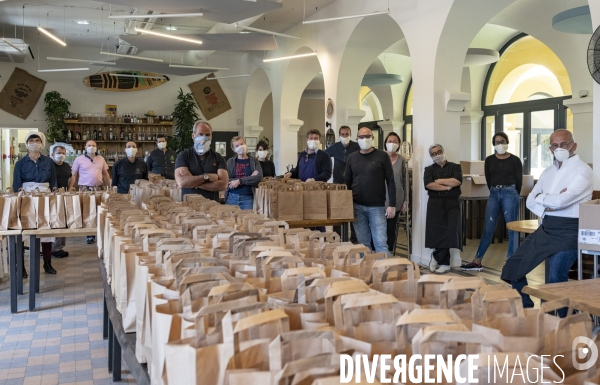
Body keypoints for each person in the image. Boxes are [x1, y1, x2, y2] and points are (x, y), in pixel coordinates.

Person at [501, 129, 592, 313]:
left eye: (564, 144)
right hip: (546, 228)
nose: (559, 148)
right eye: (555, 145)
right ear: (550, 148)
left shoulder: (583, 170)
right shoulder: (548, 172)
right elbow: (530, 200)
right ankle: (527, 309)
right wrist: (550, 202)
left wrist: (545, 198)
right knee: (512, 266)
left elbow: (561, 201)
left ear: (574, 145)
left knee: (555, 278)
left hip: (570, 232)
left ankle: (567, 321)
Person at [461, 132, 523, 271]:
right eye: (497, 142)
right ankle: (477, 261)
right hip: (494, 193)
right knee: (488, 229)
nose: (499, 144)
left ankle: (510, 261)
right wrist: (495, 191)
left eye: (502, 141)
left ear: (507, 142)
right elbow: (489, 179)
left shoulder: (515, 160)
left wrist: (513, 194)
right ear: (493, 144)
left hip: (510, 193)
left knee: (512, 229)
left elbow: (519, 181)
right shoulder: (489, 160)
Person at [345, 127, 396, 256]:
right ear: (356, 139)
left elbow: (390, 180)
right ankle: (367, 273)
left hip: (377, 207)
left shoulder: (382, 156)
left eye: (367, 136)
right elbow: (347, 183)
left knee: (380, 243)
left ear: (372, 138)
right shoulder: (352, 158)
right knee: (363, 244)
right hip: (357, 206)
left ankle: (385, 273)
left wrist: (392, 204)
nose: (364, 140)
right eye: (361, 137)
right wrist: (346, 205)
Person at [13, 131, 58, 275]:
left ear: (42, 143)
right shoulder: (20, 163)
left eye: (37, 141)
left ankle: (47, 262)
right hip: (26, 197)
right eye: (31, 140)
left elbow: (54, 181)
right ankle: (21, 266)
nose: (34, 143)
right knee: (23, 230)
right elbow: (16, 184)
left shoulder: (48, 161)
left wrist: (54, 195)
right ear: (27, 144)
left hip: (45, 196)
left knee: (46, 229)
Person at [424, 144, 463, 274]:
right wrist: (446, 187)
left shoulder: (455, 167)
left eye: (439, 152)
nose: (437, 155)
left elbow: (457, 181)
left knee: (450, 232)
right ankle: (445, 264)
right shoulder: (428, 169)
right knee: (437, 233)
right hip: (435, 204)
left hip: (452, 204)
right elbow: (429, 185)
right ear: (431, 156)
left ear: (444, 151)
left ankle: (436, 257)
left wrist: (439, 180)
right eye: (433, 153)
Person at [174, 120, 228, 201]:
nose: (204, 137)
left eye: (207, 135)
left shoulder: (218, 157)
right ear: (193, 136)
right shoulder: (184, 156)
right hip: (189, 206)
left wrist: (192, 181)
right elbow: (181, 183)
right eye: (200, 134)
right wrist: (207, 177)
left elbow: (223, 185)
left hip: (212, 207)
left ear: (211, 136)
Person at [69, 139, 110, 244]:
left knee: (100, 210)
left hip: (99, 188)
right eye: (89, 145)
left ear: (96, 147)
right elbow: (73, 175)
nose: (92, 147)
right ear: (85, 147)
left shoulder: (101, 158)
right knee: (87, 210)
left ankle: (99, 232)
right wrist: (70, 187)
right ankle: (89, 235)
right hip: (84, 188)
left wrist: (110, 186)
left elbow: (105, 174)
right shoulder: (79, 159)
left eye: (94, 145)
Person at [325, 125, 361, 242]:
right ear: (339, 135)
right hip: (338, 184)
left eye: (347, 134)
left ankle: (354, 239)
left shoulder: (357, 146)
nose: (345, 136)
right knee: (337, 211)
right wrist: (328, 169)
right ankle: (337, 237)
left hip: (353, 184)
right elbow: (324, 157)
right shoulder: (334, 147)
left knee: (352, 210)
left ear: (351, 135)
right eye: (343, 134)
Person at [384, 132, 408, 253]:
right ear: (385, 143)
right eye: (390, 141)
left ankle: (389, 252)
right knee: (379, 228)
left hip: (396, 200)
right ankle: (376, 252)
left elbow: (404, 181)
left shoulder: (402, 160)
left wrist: (406, 201)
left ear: (399, 144)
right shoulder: (380, 157)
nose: (392, 143)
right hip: (381, 199)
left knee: (391, 228)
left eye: (395, 141)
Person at [225, 137, 263, 210]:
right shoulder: (230, 162)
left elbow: (259, 177)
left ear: (245, 144)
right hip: (232, 198)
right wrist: (250, 177)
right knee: (230, 221)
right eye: (237, 146)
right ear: (233, 149)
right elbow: (226, 179)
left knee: (249, 220)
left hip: (249, 199)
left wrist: (239, 181)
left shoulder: (254, 161)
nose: (240, 147)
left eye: (242, 144)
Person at [49, 143, 72, 259]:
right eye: (58, 153)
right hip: (51, 197)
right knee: (53, 221)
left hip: (64, 196)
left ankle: (59, 248)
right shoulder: (49, 165)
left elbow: (71, 178)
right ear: (52, 154)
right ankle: (49, 248)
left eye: (63, 153)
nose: (61, 155)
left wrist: (70, 189)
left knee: (63, 222)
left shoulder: (67, 166)